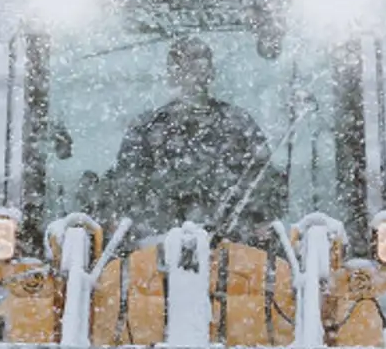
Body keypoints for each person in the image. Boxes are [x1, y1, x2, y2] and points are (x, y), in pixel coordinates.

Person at [98, 37, 285, 242]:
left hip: (234, 250)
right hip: (158, 249)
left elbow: (266, 185)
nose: (196, 73)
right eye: (187, 65)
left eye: (201, 64)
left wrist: (256, 224)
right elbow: (126, 193)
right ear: (172, 74)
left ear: (211, 73)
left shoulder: (239, 124)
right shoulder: (146, 129)